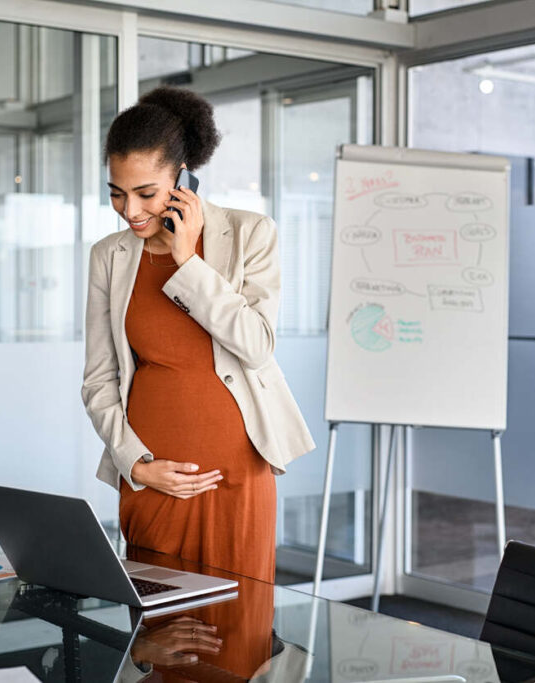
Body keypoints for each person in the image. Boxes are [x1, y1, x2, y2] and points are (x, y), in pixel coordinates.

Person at [81, 86, 314, 584]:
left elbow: (255, 345)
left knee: (238, 628)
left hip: (237, 472)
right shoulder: (110, 255)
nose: (129, 210)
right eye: (117, 193)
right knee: (157, 631)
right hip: (152, 475)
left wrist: (189, 261)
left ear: (184, 178)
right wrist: (135, 465)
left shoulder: (251, 233)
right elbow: (99, 379)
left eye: (146, 193)